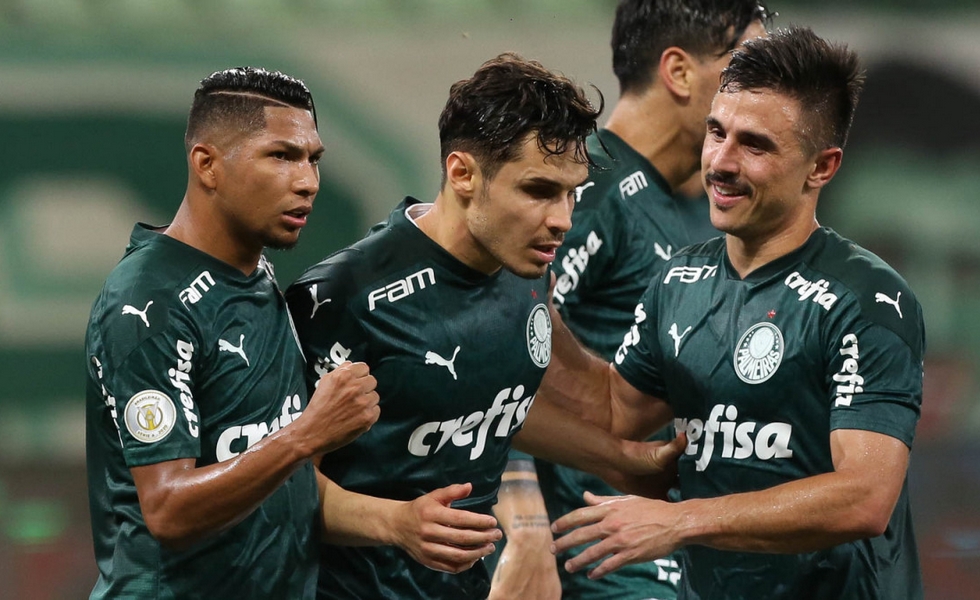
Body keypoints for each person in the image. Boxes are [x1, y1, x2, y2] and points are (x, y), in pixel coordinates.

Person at [285, 53, 685, 600]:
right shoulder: (342, 298)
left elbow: (485, 403)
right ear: (463, 174)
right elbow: (278, 485)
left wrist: (618, 461)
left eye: (571, 193)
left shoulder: (526, 272)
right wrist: (395, 523)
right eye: (538, 191)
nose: (563, 220)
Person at [547, 27, 925, 599]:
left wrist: (680, 520)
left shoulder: (866, 301)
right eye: (716, 132)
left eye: (755, 145)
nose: (720, 162)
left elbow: (864, 498)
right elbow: (612, 414)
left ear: (821, 167)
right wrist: (532, 309)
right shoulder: (678, 281)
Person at [491, 2, 770, 599]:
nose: (764, 88)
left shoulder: (683, 210)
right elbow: (494, 340)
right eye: (745, 65)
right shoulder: (587, 188)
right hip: (596, 565)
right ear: (679, 72)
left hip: (661, 557)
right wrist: (526, 523)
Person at [84, 66, 382, 599]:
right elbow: (168, 509)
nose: (308, 182)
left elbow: (280, 489)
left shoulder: (254, 271)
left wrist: (403, 525)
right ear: (207, 165)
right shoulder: (148, 304)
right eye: (281, 156)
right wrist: (305, 435)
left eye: (313, 159)